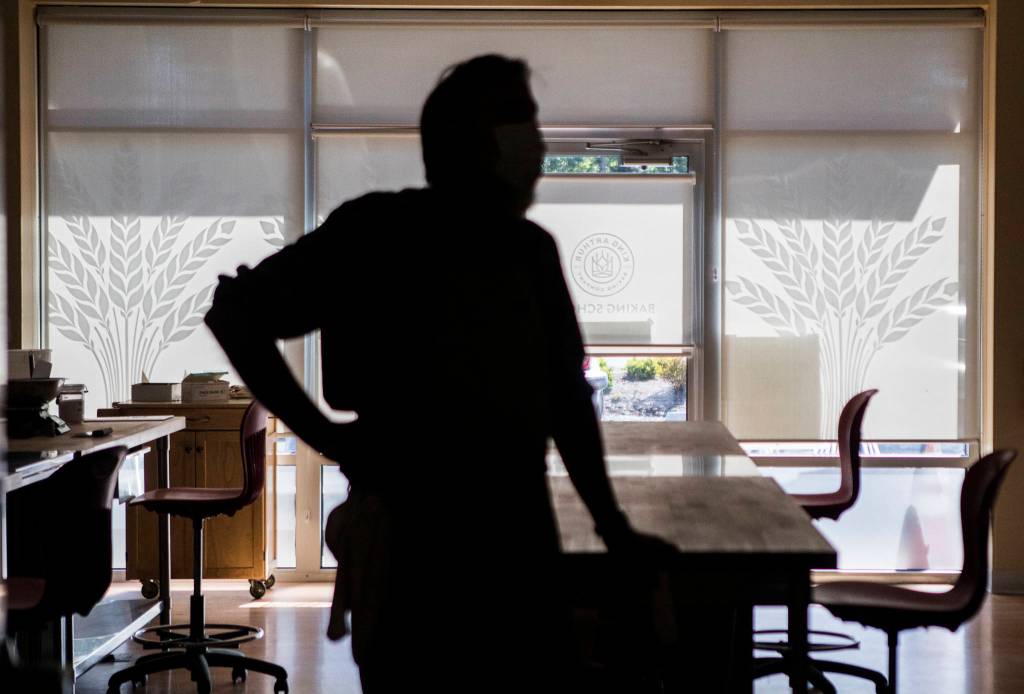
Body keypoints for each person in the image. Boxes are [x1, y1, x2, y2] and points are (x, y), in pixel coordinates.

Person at [204, 54, 667, 693]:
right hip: (418, 547)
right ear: (469, 137)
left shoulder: (525, 250)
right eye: (519, 119)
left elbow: (567, 398)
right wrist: (328, 436)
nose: (535, 140)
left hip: (511, 539)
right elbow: (236, 314)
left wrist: (614, 529)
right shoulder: (381, 233)